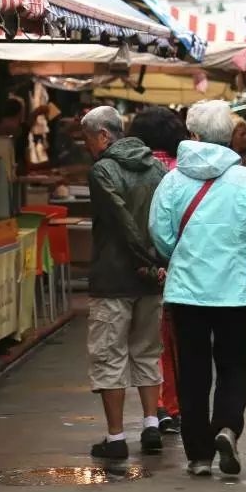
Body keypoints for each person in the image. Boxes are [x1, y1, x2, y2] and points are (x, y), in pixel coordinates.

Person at [149, 100, 246, 478]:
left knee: (191, 372)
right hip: (234, 292)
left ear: (194, 135)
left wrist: (179, 255)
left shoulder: (172, 180)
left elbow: (159, 232)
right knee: (235, 364)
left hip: (186, 292)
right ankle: (226, 426)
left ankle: (199, 455)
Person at [82, 106, 168, 461]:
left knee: (109, 355)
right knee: (148, 352)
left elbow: (121, 222)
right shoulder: (157, 167)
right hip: (151, 280)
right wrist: (158, 262)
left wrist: (145, 261)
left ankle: (116, 437)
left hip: (114, 277)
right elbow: (165, 219)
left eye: (88, 139)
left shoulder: (103, 170)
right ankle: (150, 424)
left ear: (104, 135)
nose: (87, 147)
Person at [128, 106, 188, 435]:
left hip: (140, 265)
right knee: (174, 341)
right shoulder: (182, 171)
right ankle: (174, 405)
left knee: (147, 342)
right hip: (178, 266)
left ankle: (156, 408)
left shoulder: (131, 169)